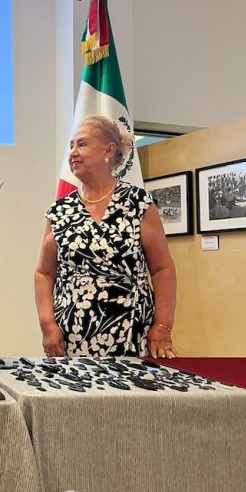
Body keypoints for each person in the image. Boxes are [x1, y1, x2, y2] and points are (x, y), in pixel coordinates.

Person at [34, 115, 178, 359]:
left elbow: (162, 268)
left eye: (82, 144)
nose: (73, 153)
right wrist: (47, 326)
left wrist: (162, 327)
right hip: (72, 338)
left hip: (131, 334)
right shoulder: (59, 211)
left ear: (109, 150)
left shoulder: (138, 203)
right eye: (71, 145)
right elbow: (44, 273)